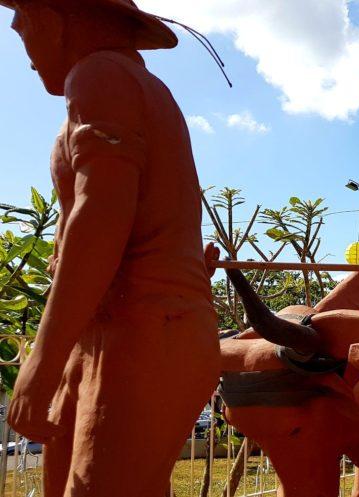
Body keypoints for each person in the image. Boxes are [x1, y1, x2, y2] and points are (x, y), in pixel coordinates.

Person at [2, 1, 222, 494]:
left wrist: (40, 361)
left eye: (24, 19)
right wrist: (59, 356)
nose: (16, 29)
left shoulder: (101, 74)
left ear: (57, 21)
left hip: (146, 332)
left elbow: (100, 216)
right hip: (109, 333)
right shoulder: (111, 84)